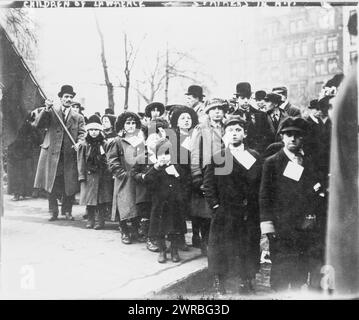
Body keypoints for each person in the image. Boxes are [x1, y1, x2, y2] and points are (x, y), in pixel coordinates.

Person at [203, 116, 262, 295]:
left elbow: (258, 181)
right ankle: (219, 280)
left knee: (248, 245)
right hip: (224, 211)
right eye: (230, 130)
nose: (234, 134)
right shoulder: (219, 157)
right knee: (220, 246)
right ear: (224, 134)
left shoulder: (253, 156)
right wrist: (215, 206)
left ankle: (247, 279)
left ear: (244, 133)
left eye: (238, 130)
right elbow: (209, 185)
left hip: (247, 211)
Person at [259, 117, 319, 292]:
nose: (293, 139)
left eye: (297, 135)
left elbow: (314, 191)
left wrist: (311, 215)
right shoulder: (272, 162)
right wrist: (267, 225)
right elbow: (264, 196)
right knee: (282, 267)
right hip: (281, 225)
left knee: (301, 265)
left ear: (303, 138)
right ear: (282, 137)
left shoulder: (309, 162)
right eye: (288, 135)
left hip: (304, 225)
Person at [33, 85, 85, 221]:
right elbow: (38, 124)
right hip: (52, 153)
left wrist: (79, 143)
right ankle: (53, 211)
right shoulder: (51, 112)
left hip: (69, 155)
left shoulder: (78, 117)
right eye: (66, 97)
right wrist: (46, 109)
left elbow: (82, 134)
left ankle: (67, 211)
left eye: (70, 97)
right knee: (52, 182)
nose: (68, 99)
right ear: (60, 98)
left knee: (69, 183)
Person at [140, 138, 190, 263]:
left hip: (175, 204)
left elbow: (186, 182)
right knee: (160, 230)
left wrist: (177, 174)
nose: (165, 157)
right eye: (161, 154)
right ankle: (162, 250)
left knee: (174, 229)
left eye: (167, 154)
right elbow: (147, 180)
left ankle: (174, 250)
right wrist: (156, 168)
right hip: (160, 204)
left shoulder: (177, 167)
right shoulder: (155, 169)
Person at [190, 98, 228, 254]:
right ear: (208, 112)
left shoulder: (229, 128)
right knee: (206, 211)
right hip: (208, 173)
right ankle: (206, 242)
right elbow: (195, 153)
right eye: (213, 109)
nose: (217, 111)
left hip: (226, 172)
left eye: (220, 108)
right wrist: (197, 175)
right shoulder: (201, 129)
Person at [107, 111, 145, 244]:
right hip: (123, 178)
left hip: (137, 178)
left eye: (133, 123)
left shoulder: (140, 142)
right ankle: (124, 230)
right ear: (122, 126)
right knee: (123, 204)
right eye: (128, 123)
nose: (131, 125)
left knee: (135, 204)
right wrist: (121, 173)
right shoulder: (117, 141)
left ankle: (135, 229)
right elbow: (112, 160)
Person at [169, 106, 199, 251]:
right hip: (178, 177)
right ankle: (179, 238)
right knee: (179, 208)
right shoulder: (172, 137)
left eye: (189, 118)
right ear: (176, 121)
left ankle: (197, 236)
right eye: (183, 118)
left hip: (195, 175)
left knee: (195, 207)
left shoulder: (196, 135)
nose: (186, 121)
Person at [77, 115, 113, 230]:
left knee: (101, 199)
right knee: (90, 199)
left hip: (102, 175)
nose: (93, 132)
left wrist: (109, 172)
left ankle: (100, 220)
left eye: (96, 130)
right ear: (88, 131)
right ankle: (90, 219)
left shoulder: (105, 144)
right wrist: (81, 175)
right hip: (89, 175)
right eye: (91, 130)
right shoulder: (84, 145)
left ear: (100, 131)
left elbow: (109, 159)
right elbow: (80, 161)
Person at [7, 112, 43, 200]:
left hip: (26, 153)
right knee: (20, 172)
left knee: (24, 172)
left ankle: (22, 193)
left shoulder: (29, 126)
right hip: (20, 153)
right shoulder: (27, 126)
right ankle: (19, 193)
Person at [229, 82, 272, 154]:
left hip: (258, 154)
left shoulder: (261, 115)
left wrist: (257, 152)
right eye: (242, 98)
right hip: (238, 154)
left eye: (248, 98)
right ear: (237, 99)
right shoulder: (231, 117)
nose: (246, 100)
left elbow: (268, 136)